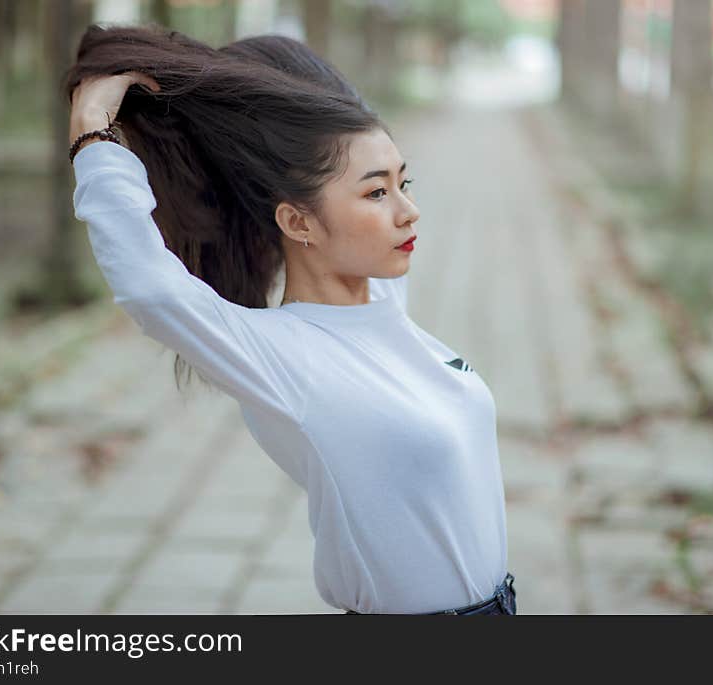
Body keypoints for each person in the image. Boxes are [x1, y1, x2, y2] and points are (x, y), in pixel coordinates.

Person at [65, 25, 516, 615]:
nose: (409, 212)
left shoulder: (381, 307)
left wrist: (288, 89)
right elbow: (151, 287)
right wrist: (93, 135)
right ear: (298, 223)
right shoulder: (280, 356)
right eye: (376, 194)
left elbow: (343, 123)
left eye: (404, 184)